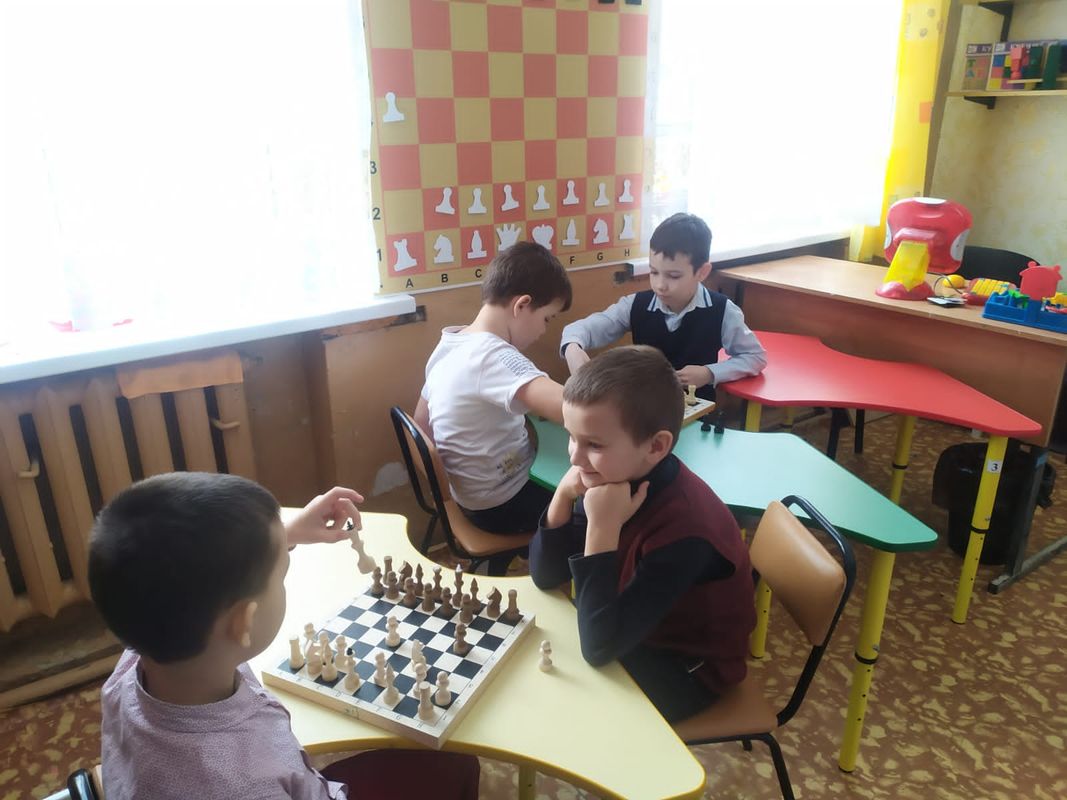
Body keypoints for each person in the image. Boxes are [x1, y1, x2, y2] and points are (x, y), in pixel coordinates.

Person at [89, 472, 480, 800]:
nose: (283, 579)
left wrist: (285, 535)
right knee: (455, 765)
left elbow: (180, 577)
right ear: (243, 623)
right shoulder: (246, 786)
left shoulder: (145, 650)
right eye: (281, 575)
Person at [528, 346, 756, 723]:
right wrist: (563, 496)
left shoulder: (686, 532)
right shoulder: (616, 476)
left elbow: (598, 647)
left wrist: (602, 528)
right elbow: (545, 575)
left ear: (656, 446)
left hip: (689, 671)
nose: (574, 458)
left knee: (564, 709)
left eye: (593, 444)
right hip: (630, 631)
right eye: (572, 437)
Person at [415, 241, 572, 538]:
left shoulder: (449, 343)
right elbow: (575, 409)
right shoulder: (494, 356)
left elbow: (421, 421)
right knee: (597, 499)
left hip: (472, 500)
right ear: (522, 305)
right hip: (506, 505)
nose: (543, 331)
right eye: (546, 318)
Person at [560, 212, 766, 400]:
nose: (660, 285)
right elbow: (580, 329)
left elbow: (755, 357)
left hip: (695, 413)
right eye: (654, 272)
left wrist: (710, 373)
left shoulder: (722, 310)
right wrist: (573, 347)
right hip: (643, 410)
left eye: (673, 276)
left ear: (702, 272)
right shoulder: (635, 304)